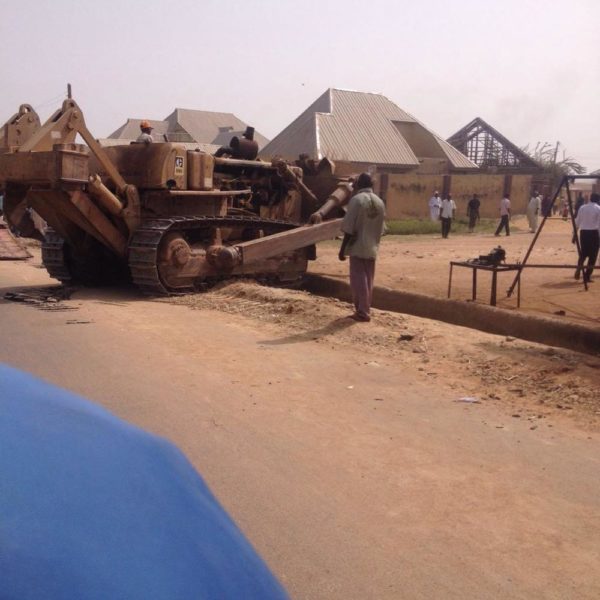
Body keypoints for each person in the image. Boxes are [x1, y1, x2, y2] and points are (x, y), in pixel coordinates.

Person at [338, 172, 386, 322]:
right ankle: (365, 308)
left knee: (358, 280)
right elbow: (382, 229)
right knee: (368, 279)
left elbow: (348, 227)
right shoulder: (380, 202)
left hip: (357, 245)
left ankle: (362, 312)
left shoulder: (356, 200)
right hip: (372, 246)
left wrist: (342, 249)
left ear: (358, 184)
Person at [574, 196, 600, 283]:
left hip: (583, 233)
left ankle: (579, 267)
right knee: (593, 256)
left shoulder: (582, 207)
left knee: (583, 253)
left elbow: (577, 221)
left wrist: (574, 234)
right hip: (593, 233)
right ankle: (587, 275)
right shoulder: (598, 208)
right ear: (598, 200)